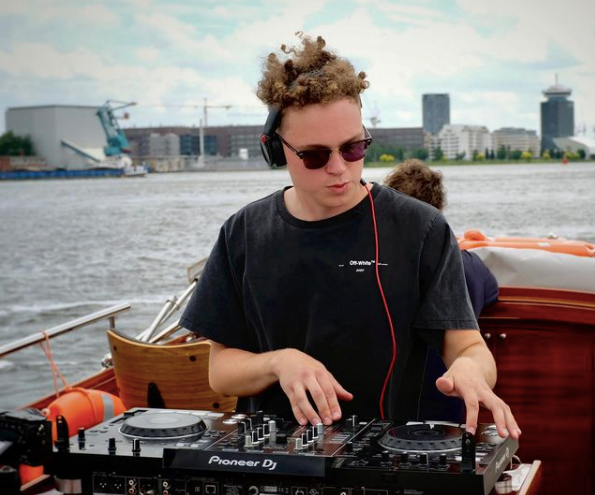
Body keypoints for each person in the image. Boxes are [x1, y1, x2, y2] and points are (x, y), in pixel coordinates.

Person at [180, 34, 520, 440]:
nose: (339, 167)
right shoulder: (243, 232)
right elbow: (220, 372)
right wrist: (278, 362)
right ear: (276, 150)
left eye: (353, 148)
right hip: (274, 458)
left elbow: (467, 347)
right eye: (315, 155)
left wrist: (470, 369)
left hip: (389, 456)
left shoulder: (422, 229)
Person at [384, 159, 499, 421]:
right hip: (450, 414)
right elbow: (492, 291)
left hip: (388, 417)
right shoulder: (471, 266)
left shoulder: (376, 269)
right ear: (439, 209)